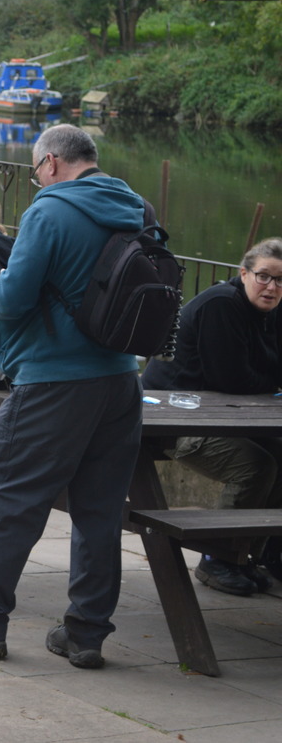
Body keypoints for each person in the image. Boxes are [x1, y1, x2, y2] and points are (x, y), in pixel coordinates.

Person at [0, 124, 144, 670]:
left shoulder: (50, 210)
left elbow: (18, 295)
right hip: (121, 378)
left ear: (50, 163)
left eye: (34, 171)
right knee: (99, 511)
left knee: (3, 494)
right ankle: (86, 634)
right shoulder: (135, 207)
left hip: (53, 378)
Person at [142, 237, 282, 595]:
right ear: (244, 273)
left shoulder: (271, 311)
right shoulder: (222, 306)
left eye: (281, 280)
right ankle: (216, 559)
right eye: (264, 276)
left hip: (229, 416)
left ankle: (255, 556)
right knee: (255, 467)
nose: (272, 287)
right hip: (176, 421)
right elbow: (233, 380)